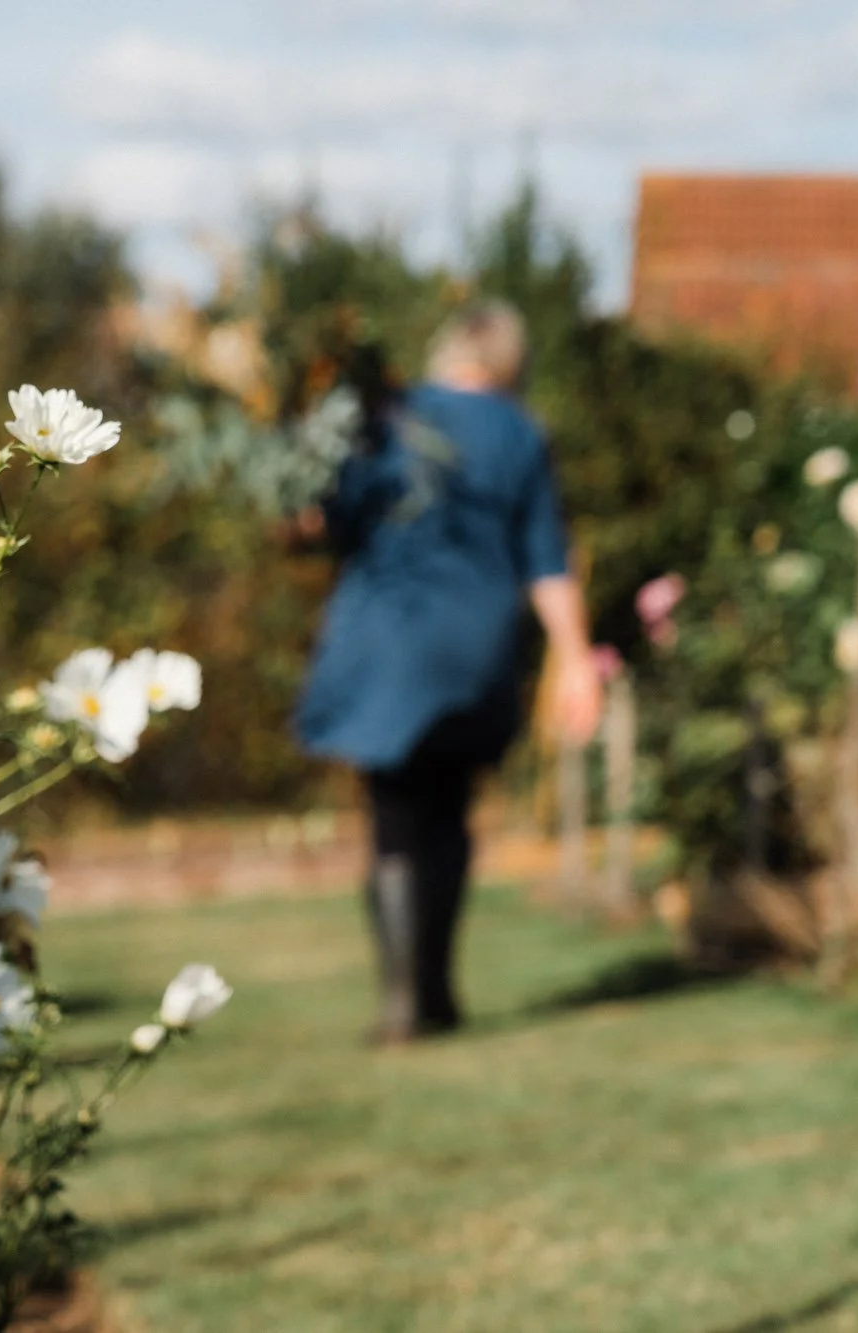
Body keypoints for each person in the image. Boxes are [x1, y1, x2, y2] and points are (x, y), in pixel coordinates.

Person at [296, 301, 602, 1044]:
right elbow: (546, 559)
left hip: (383, 635)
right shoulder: (520, 432)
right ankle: (433, 988)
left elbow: (323, 523)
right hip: (474, 640)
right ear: (507, 362)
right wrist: (575, 659)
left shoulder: (384, 414)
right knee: (449, 811)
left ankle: (404, 997)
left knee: (394, 813)